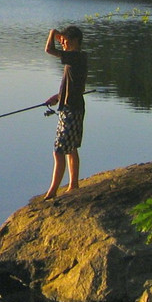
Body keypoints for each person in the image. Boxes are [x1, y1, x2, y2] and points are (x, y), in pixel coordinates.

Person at [43, 25, 87, 198]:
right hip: (70, 106)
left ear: (75, 40)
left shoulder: (75, 56)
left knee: (59, 150)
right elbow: (75, 85)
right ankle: (73, 184)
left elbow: (49, 49)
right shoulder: (78, 58)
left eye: (65, 40)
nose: (62, 43)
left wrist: (53, 32)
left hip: (72, 110)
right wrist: (57, 97)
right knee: (70, 148)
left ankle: (53, 191)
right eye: (61, 40)